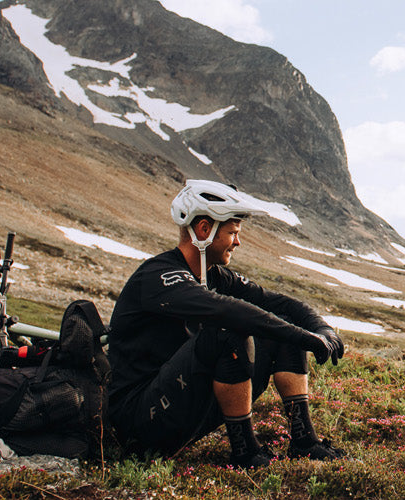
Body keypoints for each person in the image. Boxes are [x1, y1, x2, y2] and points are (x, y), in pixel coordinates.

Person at [107, 179, 346, 468]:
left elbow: (278, 303)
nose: (238, 241)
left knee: (278, 324)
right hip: (139, 420)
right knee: (227, 330)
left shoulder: (214, 275)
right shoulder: (160, 276)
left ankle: (304, 441)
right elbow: (228, 311)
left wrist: (321, 330)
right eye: (232, 232)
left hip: (178, 403)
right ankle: (245, 453)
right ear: (204, 230)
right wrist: (305, 339)